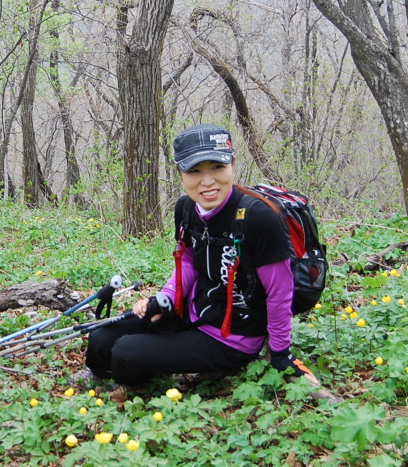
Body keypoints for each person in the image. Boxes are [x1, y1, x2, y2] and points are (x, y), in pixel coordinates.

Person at [84, 124, 316, 387]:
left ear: (232, 164)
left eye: (217, 167)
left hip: (231, 336)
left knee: (126, 351)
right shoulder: (186, 209)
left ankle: (126, 384)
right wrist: (167, 298)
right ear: (181, 173)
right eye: (194, 171)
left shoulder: (259, 218)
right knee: (100, 338)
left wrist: (280, 352)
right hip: (193, 312)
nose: (207, 181)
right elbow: (187, 260)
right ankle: (103, 374)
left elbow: (280, 292)